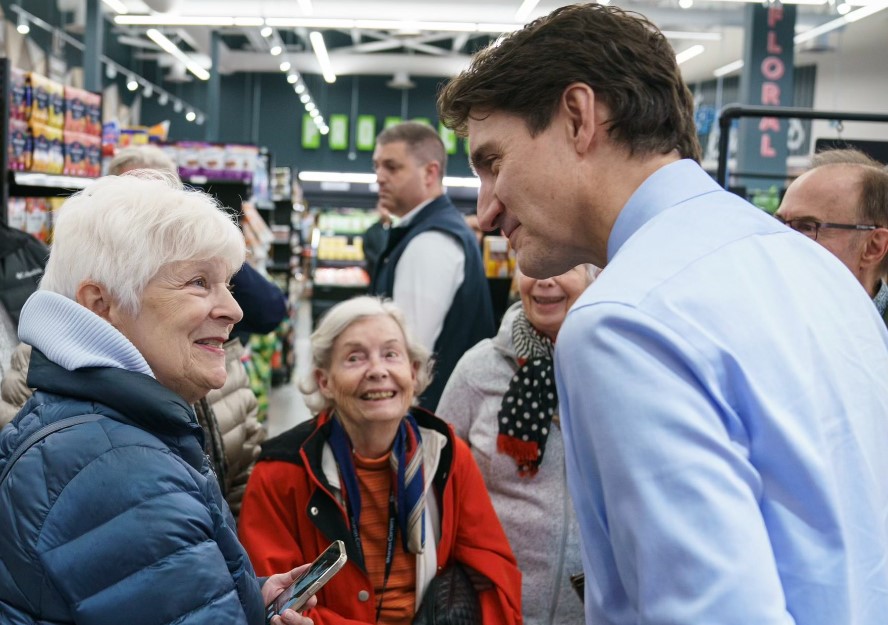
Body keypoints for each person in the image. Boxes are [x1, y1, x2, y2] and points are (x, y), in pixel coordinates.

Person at [438, 4, 888, 625]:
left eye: (493, 163)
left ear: (578, 117)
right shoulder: (816, 272)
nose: (486, 211)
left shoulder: (623, 323)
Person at [0, 172, 314, 624]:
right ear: (100, 304)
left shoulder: (95, 429)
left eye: (226, 283)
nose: (234, 309)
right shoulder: (122, 472)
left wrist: (246, 599)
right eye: (199, 283)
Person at [238, 296, 522, 624]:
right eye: (355, 358)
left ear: (413, 373)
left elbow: (494, 575)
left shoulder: (446, 455)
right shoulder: (282, 471)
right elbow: (277, 602)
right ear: (324, 381)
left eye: (391, 354)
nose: (377, 371)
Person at [437, 263, 598, 625]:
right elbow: (436, 476)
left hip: (594, 609)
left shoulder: (618, 368)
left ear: (595, 276)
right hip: (490, 603)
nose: (544, 279)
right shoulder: (478, 370)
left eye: (564, 265)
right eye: (531, 266)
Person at [369, 122, 494, 412]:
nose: (380, 177)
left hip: (426, 421)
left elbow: (409, 352)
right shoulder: (429, 231)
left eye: (392, 167)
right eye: (377, 166)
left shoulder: (430, 241)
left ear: (430, 172)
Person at [775, 148, 888, 324]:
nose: (782, 240)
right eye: (779, 223)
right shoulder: (762, 316)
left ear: (874, 246)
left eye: (807, 227)